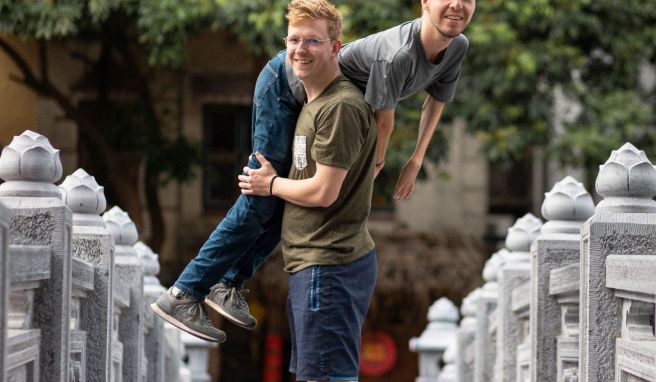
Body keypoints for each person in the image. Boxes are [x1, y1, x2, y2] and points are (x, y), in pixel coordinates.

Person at [151, 0, 476, 343]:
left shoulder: (457, 47)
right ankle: (183, 293)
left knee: (291, 203)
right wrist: (374, 168)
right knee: (260, 197)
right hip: (283, 87)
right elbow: (384, 121)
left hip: (315, 100)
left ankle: (227, 282)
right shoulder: (397, 54)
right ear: (425, 3)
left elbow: (435, 100)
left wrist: (416, 160)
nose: (456, 5)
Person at [238, 1, 377, 380]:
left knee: (324, 376)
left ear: (336, 47)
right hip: (312, 264)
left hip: (330, 265)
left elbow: (323, 192)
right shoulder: (312, 103)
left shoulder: (340, 106)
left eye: (313, 41)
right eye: (294, 40)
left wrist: (269, 184)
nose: (300, 50)